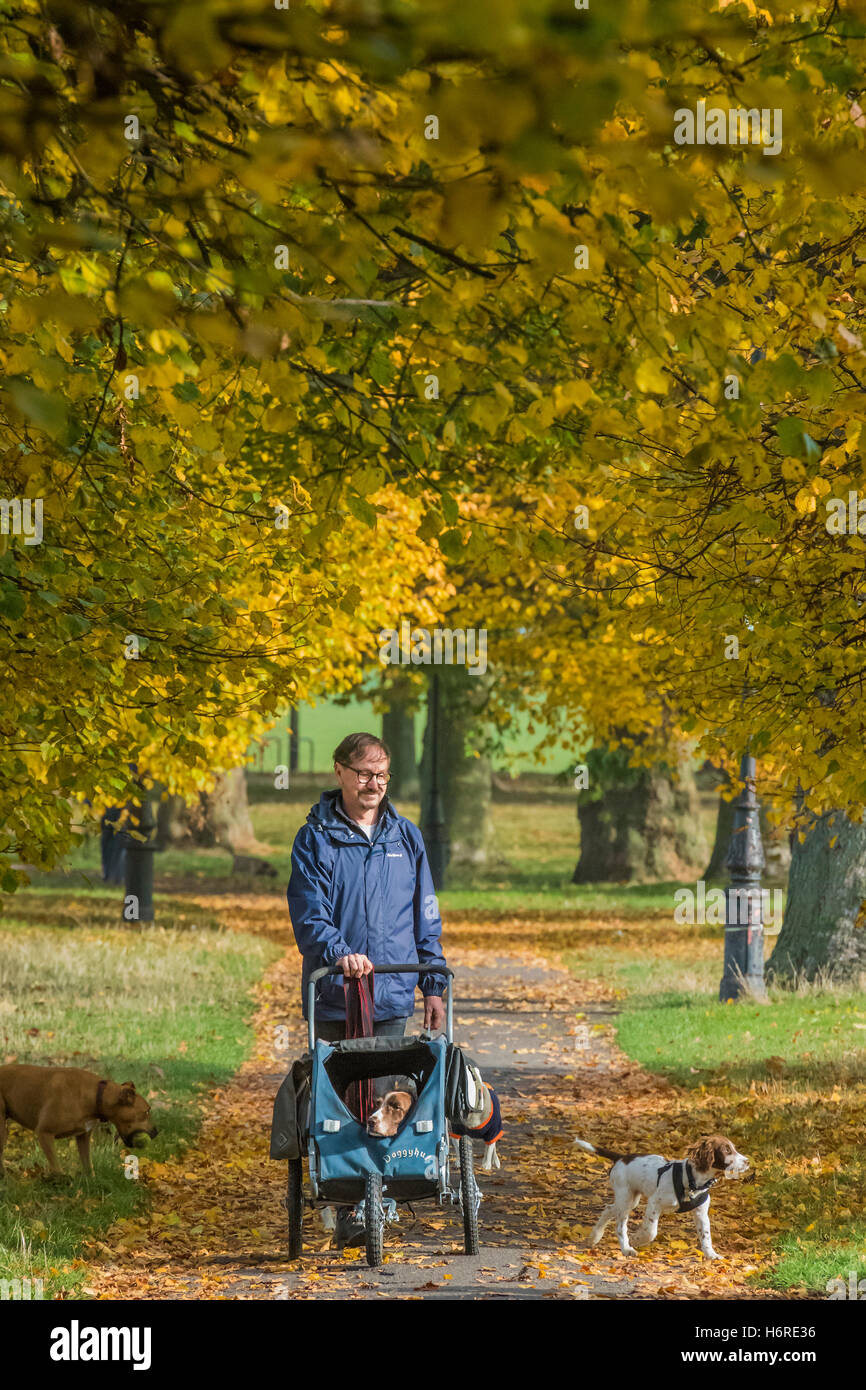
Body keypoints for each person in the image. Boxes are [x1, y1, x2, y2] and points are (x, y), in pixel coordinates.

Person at [287, 730, 448, 1247]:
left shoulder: (407, 837)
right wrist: (341, 953)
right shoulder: (314, 838)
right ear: (339, 773)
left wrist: (432, 985)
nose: (373, 783)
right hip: (335, 995)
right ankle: (343, 1196)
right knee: (340, 1103)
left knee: (384, 1101)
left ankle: (371, 1203)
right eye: (363, 774)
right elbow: (309, 917)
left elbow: (426, 918)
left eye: (381, 774)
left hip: (391, 997)